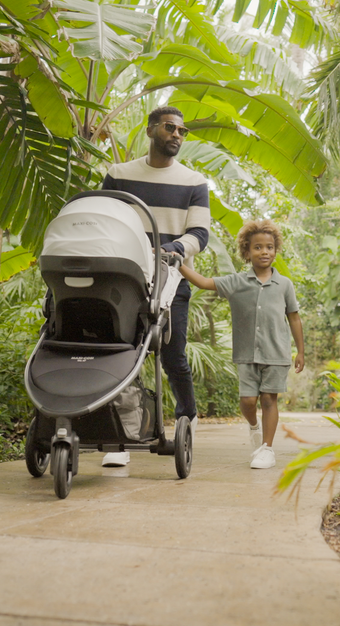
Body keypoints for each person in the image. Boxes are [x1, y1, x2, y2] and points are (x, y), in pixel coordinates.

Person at [98, 105, 208, 467]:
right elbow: (105, 218)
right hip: (124, 276)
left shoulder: (193, 182)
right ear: (150, 131)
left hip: (171, 277)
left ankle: (186, 417)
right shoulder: (119, 174)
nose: (177, 135)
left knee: (173, 353)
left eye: (182, 131)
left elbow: (199, 233)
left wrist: (175, 248)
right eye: (169, 128)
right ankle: (119, 436)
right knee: (120, 349)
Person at [178, 220, 305, 469]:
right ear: (247, 252)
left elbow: (294, 317)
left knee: (269, 399)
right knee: (248, 401)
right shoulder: (236, 282)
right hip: (246, 353)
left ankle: (267, 449)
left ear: (276, 250)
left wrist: (300, 350)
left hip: (276, 352)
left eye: (269, 247)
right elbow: (203, 282)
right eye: (258, 247)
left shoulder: (285, 285)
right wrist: (178, 264)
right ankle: (254, 426)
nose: (265, 252)